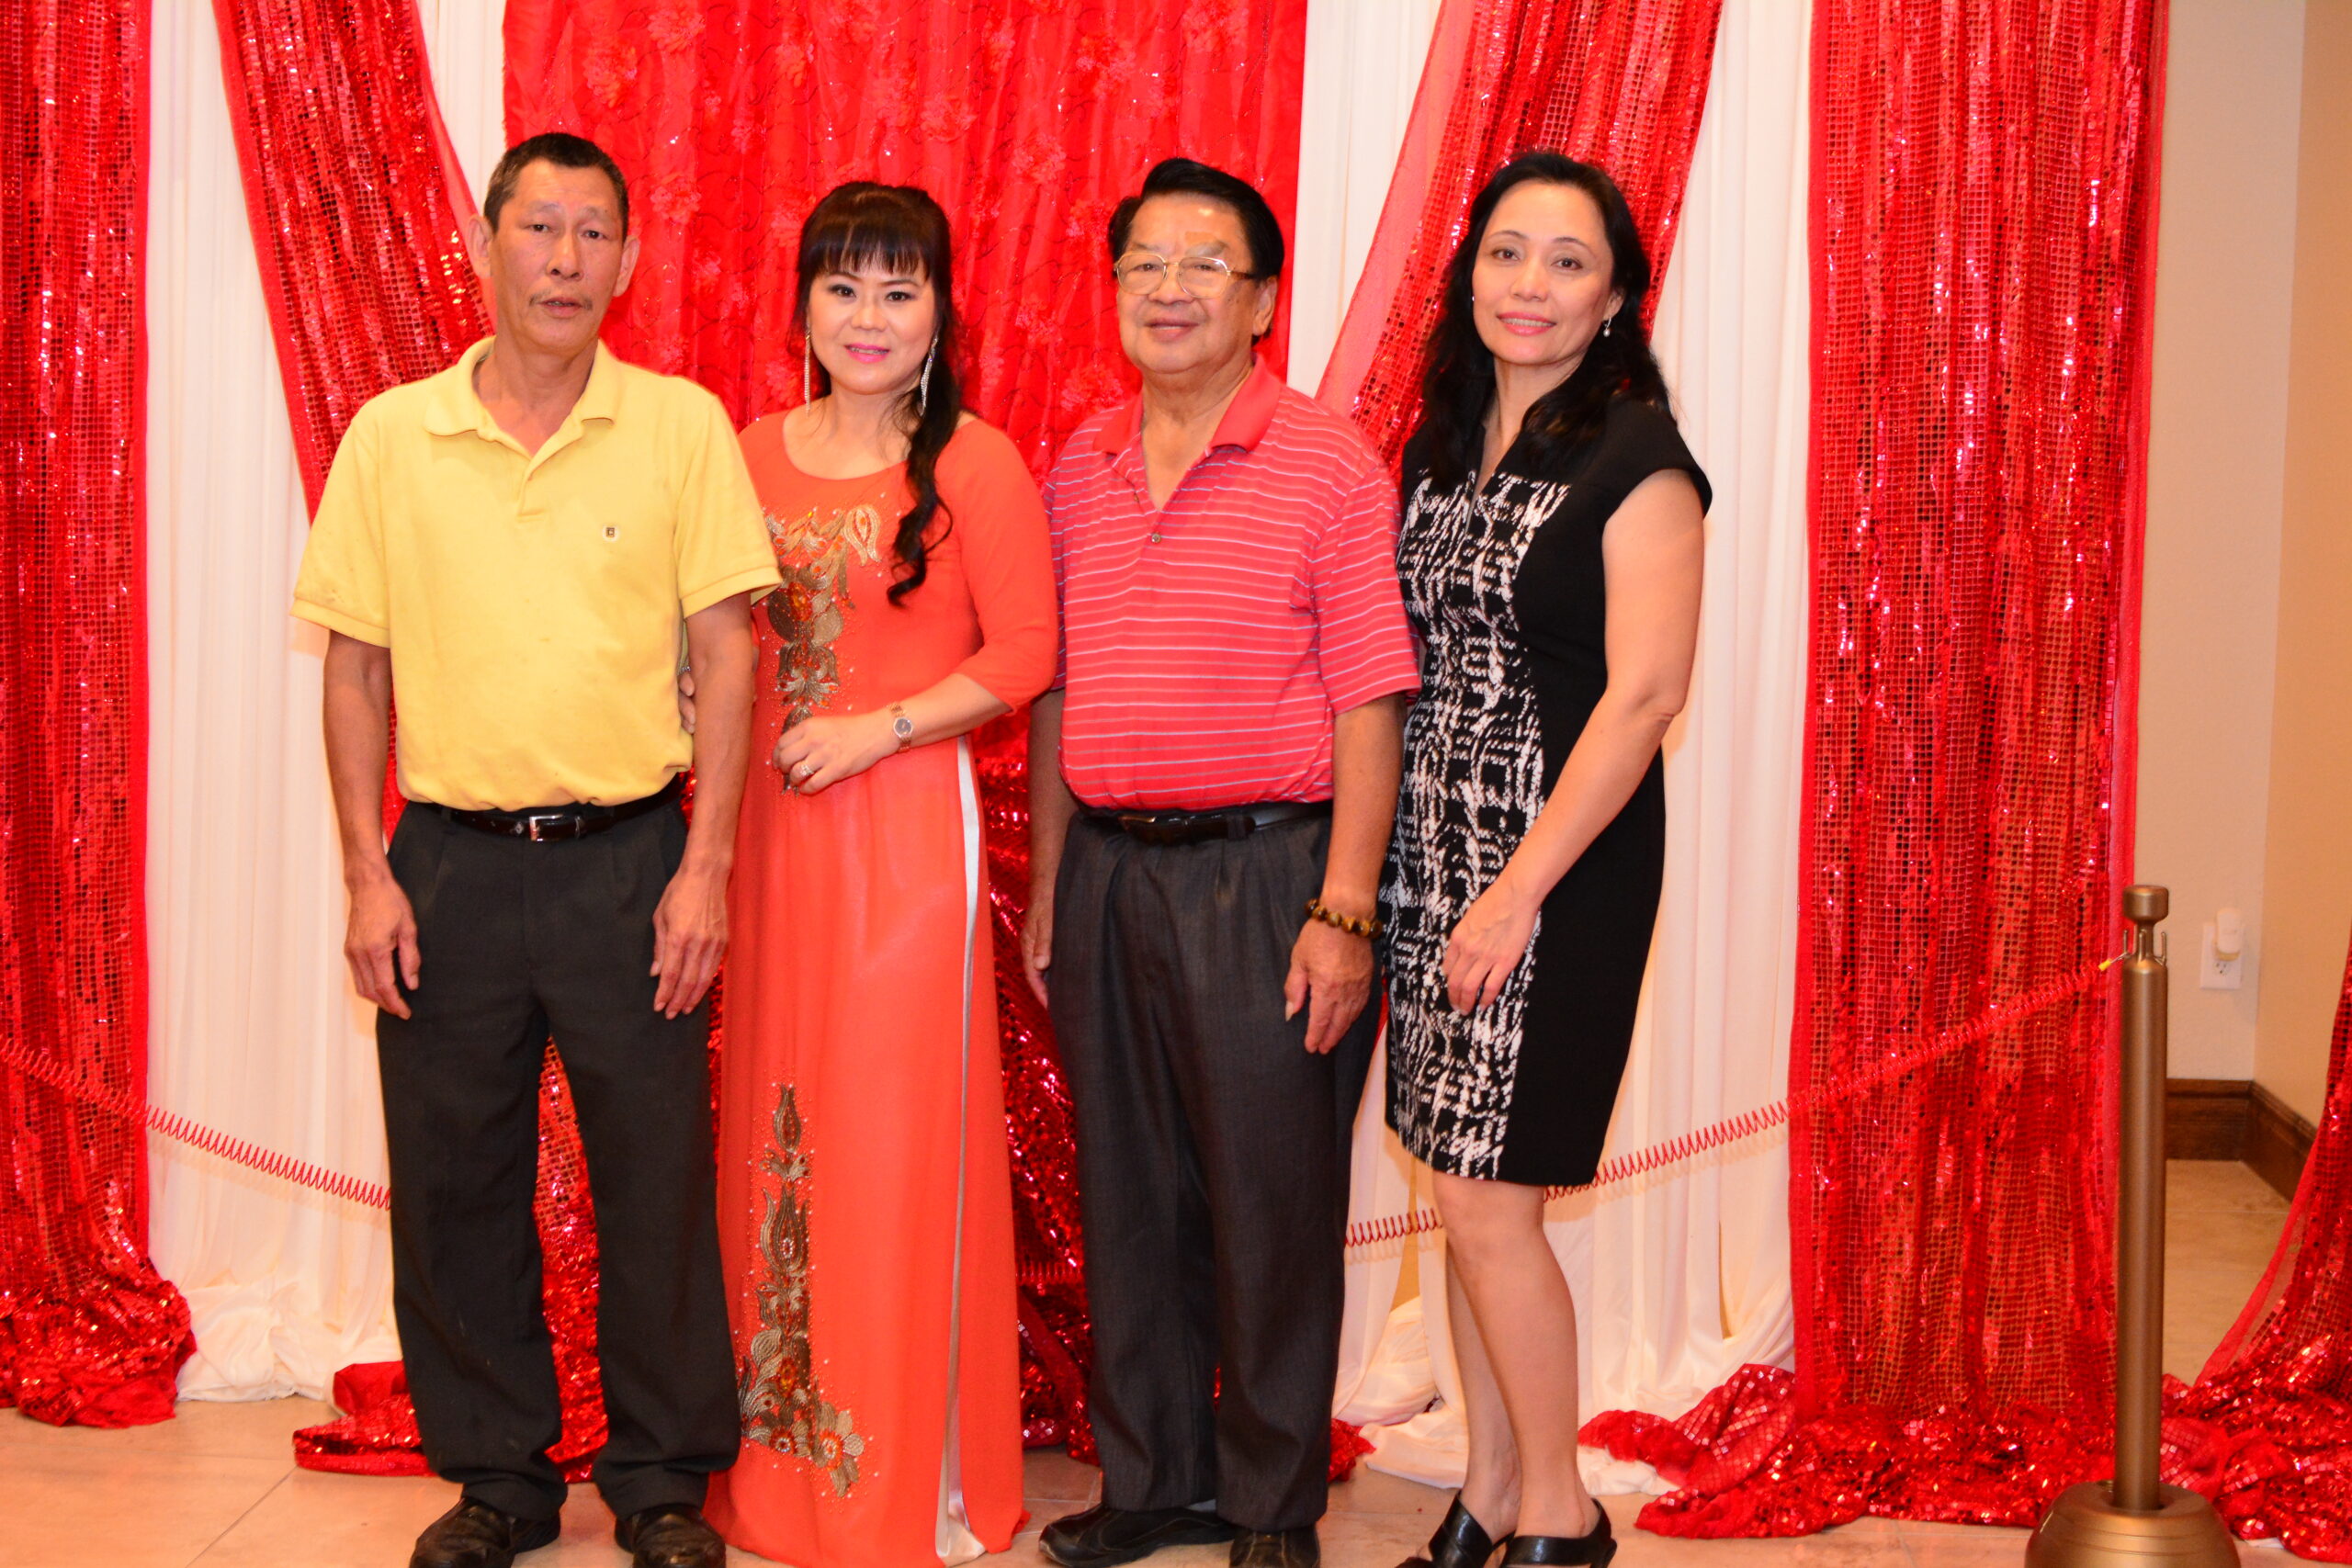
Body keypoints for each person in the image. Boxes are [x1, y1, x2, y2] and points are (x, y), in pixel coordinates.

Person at [296, 133, 779, 1568]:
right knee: (454, 1182)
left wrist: (707, 866)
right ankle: (498, 1479)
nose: (565, 260)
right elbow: (353, 669)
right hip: (444, 861)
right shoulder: (394, 437)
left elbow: (729, 652)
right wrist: (366, 871)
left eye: (593, 233)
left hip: (629, 860)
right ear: (484, 244)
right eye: (539, 227)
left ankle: (662, 1483)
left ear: (628, 260)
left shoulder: (679, 426)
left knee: (655, 1179)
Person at [1023, 157, 1419, 1568]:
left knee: (1269, 1200)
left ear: (1261, 300)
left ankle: (1267, 1501)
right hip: (1108, 873)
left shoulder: (1327, 463)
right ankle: (1153, 1480)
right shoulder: (1078, 463)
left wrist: (1345, 909)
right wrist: (1053, 882)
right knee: (1129, 1194)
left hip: (1271, 877)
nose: (1170, 289)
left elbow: (1371, 697)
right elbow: (1054, 687)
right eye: (1145, 263)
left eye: (1205, 264)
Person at [702, 182, 1057, 1568]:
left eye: (899, 291)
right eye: (843, 287)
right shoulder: (747, 453)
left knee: (889, 1144)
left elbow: (1024, 654)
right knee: (774, 1131)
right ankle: (777, 1468)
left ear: (940, 313)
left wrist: (879, 729)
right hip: (770, 845)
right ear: (801, 306)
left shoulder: (975, 464)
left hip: (905, 837)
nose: (869, 317)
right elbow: (714, 641)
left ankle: (906, 1482)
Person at [1381, 153, 1709, 1568]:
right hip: (1428, 863)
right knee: (1456, 1191)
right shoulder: (1443, 444)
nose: (1531, 284)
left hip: (1554, 875)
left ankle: (1563, 1515)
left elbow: (1645, 698)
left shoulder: (1639, 458)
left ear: (1616, 297)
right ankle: (1493, 1487)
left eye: (1568, 261)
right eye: (1507, 252)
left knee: (1488, 1200)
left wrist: (1516, 893)